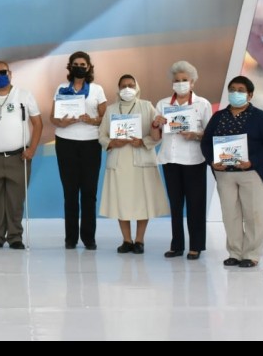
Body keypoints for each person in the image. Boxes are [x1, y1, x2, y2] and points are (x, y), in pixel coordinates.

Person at [201, 76, 263, 269]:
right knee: (230, 215)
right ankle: (235, 253)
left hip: (253, 172)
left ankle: (251, 254)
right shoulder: (219, 116)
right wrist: (212, 161)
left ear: (250, 95)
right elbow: (206, 142)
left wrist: (252, 161)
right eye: (232, 90)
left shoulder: (259, 116)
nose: (235, 93)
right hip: (225, 174)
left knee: (254, 214)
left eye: (240, 90)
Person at [99, 75, 169, 255]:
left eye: (130, 85)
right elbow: (101, 135)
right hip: (119, 161)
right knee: (121, 201)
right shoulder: (111, 109)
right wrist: (112, 142)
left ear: (136, 87)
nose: (127, 89)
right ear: (118, 88)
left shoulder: (147, 106)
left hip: (141, 160)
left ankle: (139, 240)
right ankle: (126, 240)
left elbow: (157, 134)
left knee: (142, 201)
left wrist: (143, 141)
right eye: (123, 86)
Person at [0, 62, 43, 250]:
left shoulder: (24, 96)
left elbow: (38, 124)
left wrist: (32, 149)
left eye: (2, 72)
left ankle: (15, 237)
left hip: (18, 157)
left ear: (10, 74)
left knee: (16, 199)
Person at [153, 62, 213, 261]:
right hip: (170, 159)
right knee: (176, 205)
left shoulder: (202, 104)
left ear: (192, 82)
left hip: (194, 160)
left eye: (184, 80)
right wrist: (156, 124)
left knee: (196, 204)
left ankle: (196, 246)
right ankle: (177, 245)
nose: (180, 83)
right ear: (172, 83)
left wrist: (195, 135)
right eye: (177, 80)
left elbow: (210, 133)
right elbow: (155, 136)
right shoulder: (163, 104)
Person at [50, 52, 107, 251]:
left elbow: (105, 117)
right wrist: (62, 122)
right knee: (70, 192)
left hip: (90, 143)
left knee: (89, 192)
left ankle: (89, 237)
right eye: (76, 64)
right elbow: (52, 117)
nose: (79, 67)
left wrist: (91, 120)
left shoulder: (97, 90)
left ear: (89, 67)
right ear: (70, 66)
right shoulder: (61, 88)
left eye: (83, 64)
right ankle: (71, 238)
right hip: (65, 143)